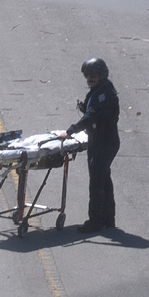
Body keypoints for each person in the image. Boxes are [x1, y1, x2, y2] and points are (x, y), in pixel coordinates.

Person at [62, 56, 119, 233]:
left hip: (104, 143)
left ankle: (95, 221)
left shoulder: (104, 93)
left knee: (96, 182)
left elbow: (92, 116)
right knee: (103, 179)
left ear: (102, 74)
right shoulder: (99, 89)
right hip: (98, 140)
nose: (90, 79)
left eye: (93, 75)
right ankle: (107, 219)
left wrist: (70, 131)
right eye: (87, 76)